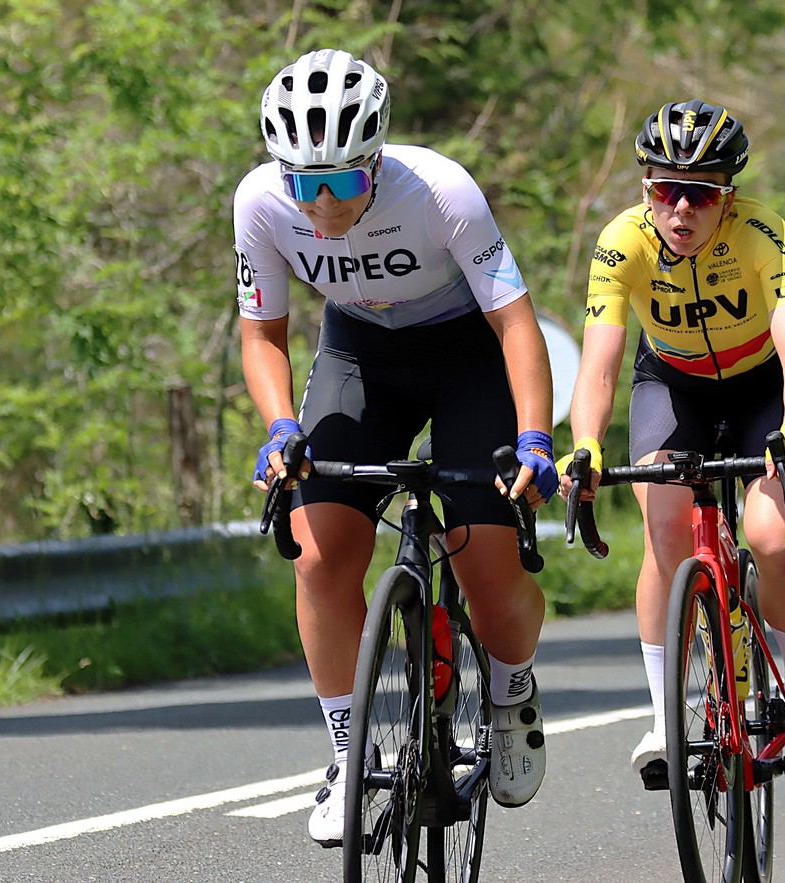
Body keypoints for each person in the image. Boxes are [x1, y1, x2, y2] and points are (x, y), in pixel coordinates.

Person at [235, 49, 556, 845]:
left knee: (487, 565)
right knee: (318, 554)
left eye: (343, 180)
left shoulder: (441, 190)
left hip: (466, 356)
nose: (322, 204)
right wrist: (280, 427)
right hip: (359, 357)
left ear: (376, 160)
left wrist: (535, 438)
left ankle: (510, 692)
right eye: (305, 184)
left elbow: (515, 322)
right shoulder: (258, 203)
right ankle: (350, 756)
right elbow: (262, 335)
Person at [559, 99, 785, 783]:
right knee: (666, 530)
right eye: (665, 191)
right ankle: (664, 716)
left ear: (727, 198)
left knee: (773, 538)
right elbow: (599, 364)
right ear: (646, 189)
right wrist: (586, 443)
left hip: (761, 387)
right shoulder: (622, 241)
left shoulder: (762, 232)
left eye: (701, 194)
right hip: (672, 384)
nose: (681, 209)